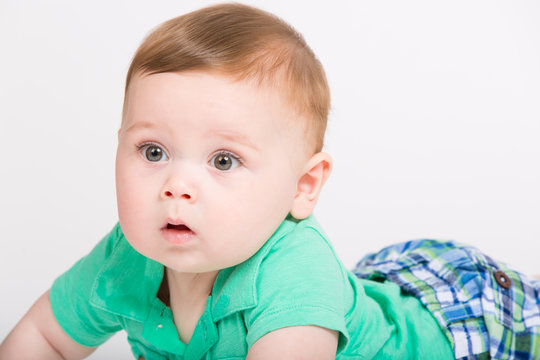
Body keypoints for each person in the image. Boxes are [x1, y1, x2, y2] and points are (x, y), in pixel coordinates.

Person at [1, 3, 539, 359]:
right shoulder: (127, 257)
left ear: (303, 187)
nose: (176, 186)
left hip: (465, 330)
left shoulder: (293, 276)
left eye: (224, 161)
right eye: (154, 151)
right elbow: (45, 338)